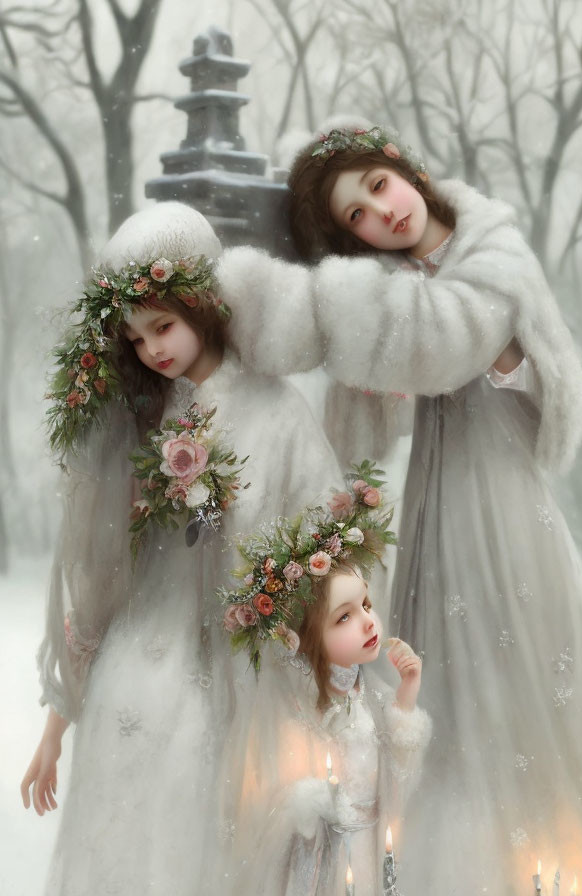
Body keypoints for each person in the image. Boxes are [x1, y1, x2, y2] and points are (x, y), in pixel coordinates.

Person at [213, 127, 582, 894]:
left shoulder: (495, 250)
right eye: (358, 219)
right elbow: (364, 421)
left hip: (508, 492)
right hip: (440, 494)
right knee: (447, 688)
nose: (383, 214)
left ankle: (552, 866)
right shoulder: (391, 300)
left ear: (405, 170)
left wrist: (502, 361)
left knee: (531, 675)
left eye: (378, 187)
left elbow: (554, 389)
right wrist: (383, 371)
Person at [20, 201, 341, 896]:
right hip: (137, 674)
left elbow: (327, 547)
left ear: (202, 306)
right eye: (135, 339)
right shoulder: (143, 424)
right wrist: (57, 725)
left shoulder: (278, 410)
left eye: (163, 326)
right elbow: (102, 582)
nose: (153, 349)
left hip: (240, 683)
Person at [217, 476, 431, 895]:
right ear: (310, 638)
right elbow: (269, 796)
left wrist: (406, 695)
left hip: (369, 850)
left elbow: (400, 776)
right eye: (344, 616)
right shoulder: (298, 710)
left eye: (365, 605)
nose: (369, 621)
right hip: (323, 863)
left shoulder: (368, 696)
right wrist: (308, 802)